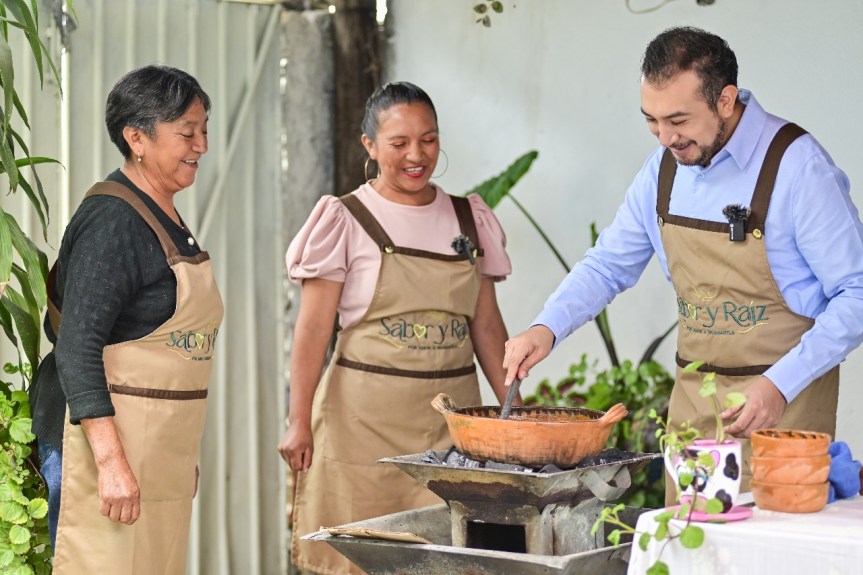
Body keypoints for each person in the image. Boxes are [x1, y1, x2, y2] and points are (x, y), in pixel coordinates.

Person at [502, 27, 863, 500]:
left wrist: (779, 385)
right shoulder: (663, 170)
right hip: (695, 408)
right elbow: (608, 264)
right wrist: (545, 328)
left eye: (678, 120)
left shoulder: (798, 168)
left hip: (784, 412)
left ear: (726, 100)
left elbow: (856, 295)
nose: (666, 137)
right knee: (691, 551)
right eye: (652, 121)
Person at [278, 81, 514, 574]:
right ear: (370, 145)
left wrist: (513, 417)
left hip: (453, 425)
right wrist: (298, 420)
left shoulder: (468, 218)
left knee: (449, 555)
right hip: (362, 428)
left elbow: (487, 327)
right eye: (399, 143)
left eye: (428, 140)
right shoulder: (345, 218)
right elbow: (313, 331)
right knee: (361, 552)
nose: (416, 155)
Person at [28, 65, 221, 573]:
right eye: (187, 133)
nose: (201, 145)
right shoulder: (115, 221)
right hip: (100, 449)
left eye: (204, 130)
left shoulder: (165, 216)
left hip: (153, 449)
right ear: (136, 137)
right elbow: (76, 347)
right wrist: (111, 463)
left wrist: (176, 455)